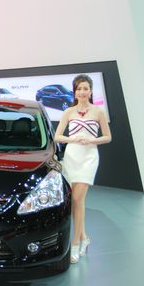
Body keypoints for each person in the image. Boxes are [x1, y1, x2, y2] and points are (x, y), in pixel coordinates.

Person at [54, 74, 111, 264]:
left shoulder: (98, 112)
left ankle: (76, 244)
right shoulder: (68, 112)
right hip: (72, 156)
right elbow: (58, 136)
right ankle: (84, 238)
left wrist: (92, 140)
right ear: (75, 92)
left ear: (91, 91)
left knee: (78, 199)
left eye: (86, 88)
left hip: (89, 157)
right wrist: (74, 139)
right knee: (75, 203)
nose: (82, 92)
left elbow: (107, 137)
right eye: (79, 89)